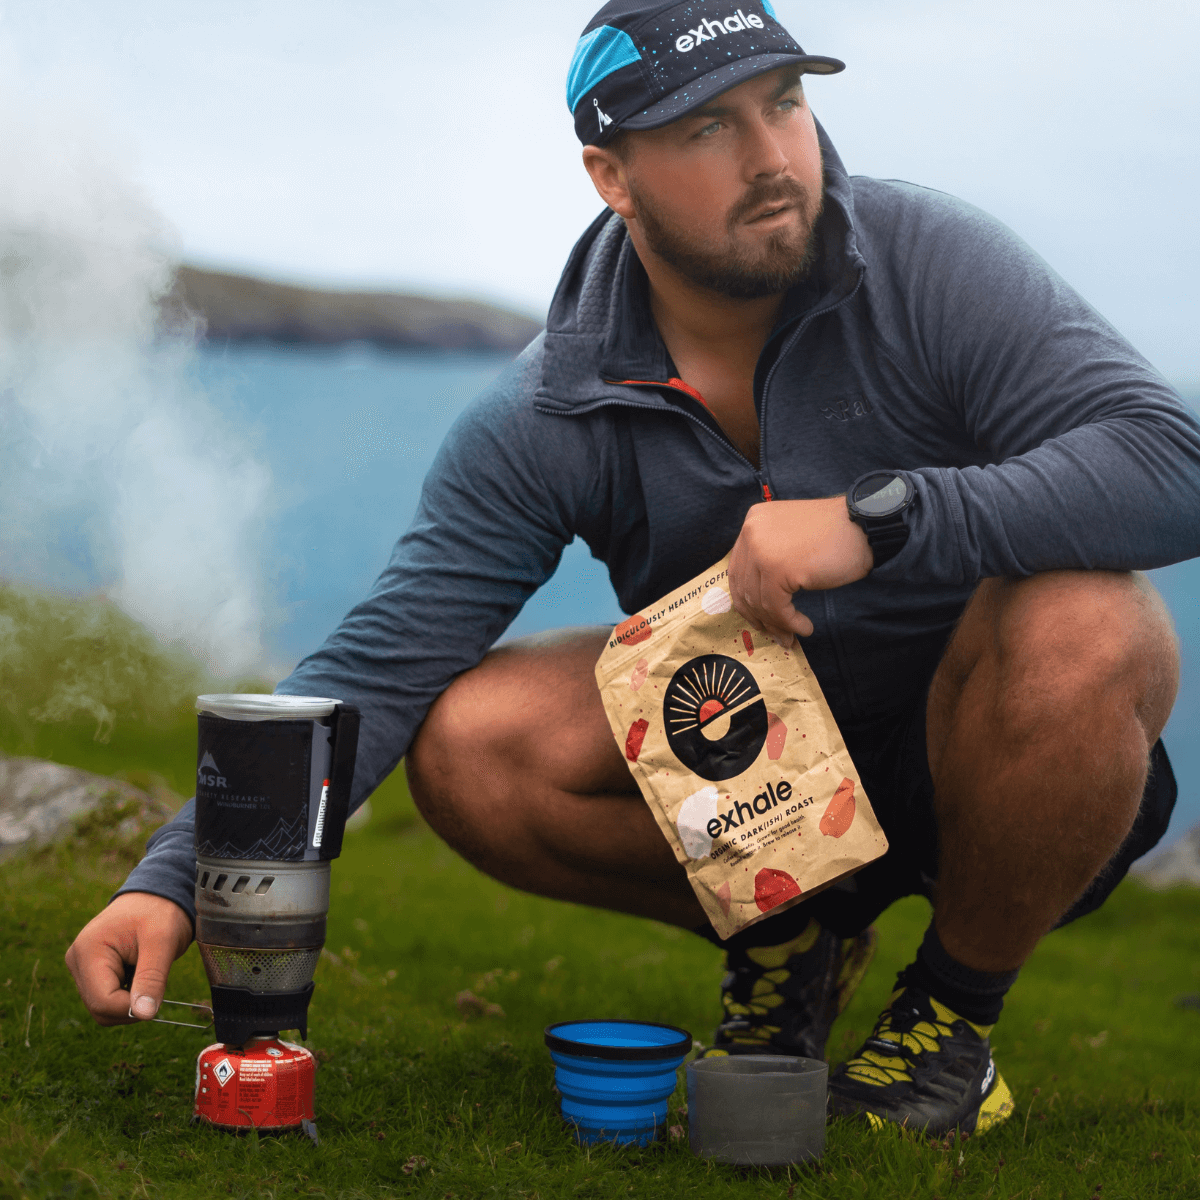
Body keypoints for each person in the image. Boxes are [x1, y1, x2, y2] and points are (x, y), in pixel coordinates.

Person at [66, 0, 1197, 1138]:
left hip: (993, 758)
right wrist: (177, 877)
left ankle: (949, 1026)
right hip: (762, 795)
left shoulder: (930, 262)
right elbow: (385, 657)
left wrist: (885, 519)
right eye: (708, 128)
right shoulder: (552, 405)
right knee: (472, 740)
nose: (773, 158)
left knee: (1094, 619)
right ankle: (789, 943)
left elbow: (1172, 463)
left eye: (786, 103)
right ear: (612, 174)